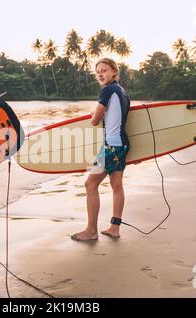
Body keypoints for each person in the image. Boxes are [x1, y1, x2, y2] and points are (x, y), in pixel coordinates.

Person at [71, 58, 131, 241]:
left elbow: (95, 120)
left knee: (90, 184)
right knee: (116, 185)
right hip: (122, 143)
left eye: (104, 70)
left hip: (112, 146)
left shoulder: (107, 90)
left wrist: (93, 113)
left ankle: (91, 231)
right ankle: (114, 228)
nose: (100, 74)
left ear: (114, 71)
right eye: (97, 72)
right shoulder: (122, 91)